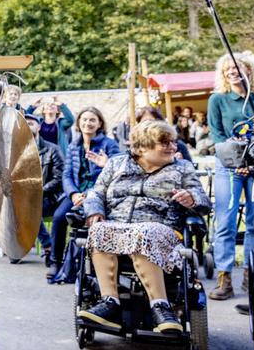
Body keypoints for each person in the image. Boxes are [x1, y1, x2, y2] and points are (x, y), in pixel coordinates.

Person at [77, 120, 210, 333]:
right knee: (99, 229)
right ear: (141, 148)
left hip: (162, 230)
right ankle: (109, 302)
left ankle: (160, 306)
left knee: (144, 232)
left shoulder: (182, 168)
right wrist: (94, 210)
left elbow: (203, 201)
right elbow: (96, 192)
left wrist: (192, 198)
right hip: (118, 226)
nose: (173, 147)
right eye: (165, 143)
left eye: (173, 142)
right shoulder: (117, 164)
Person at [206, 52, 254, 301]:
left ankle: (250, 273)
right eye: (227, 69)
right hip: (229, 166)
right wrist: (237, 160)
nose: (232, 72)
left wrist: (252, 161)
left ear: (248, 70)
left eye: (236, 68)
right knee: (225, 220)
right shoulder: (218, 99)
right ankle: (224, 277)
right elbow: (217, 135)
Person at [50, 107, 121, 278]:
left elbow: (119, 170)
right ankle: (55, 261)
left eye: (92, 120)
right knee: (59, 218)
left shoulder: (109, 144)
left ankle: (91, 266)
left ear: (99, 123)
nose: (88, 123)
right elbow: (66, 175)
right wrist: (73, 193)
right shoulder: (73, 145)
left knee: (93, 222)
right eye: (84, 119)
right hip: (76, 194)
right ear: (79, 122)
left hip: (98, 194)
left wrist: (106, 164)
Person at [24, 113, 64, 276]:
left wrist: (39, 191)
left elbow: (59, 178)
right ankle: (15, 244)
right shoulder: (18, 151)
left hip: (49, 198)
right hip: (25, 199)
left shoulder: (52, 149)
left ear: (39, 127)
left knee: (28, 206)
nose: (28, 127)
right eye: (25, 124)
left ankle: (47, 246)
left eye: (31, 123)